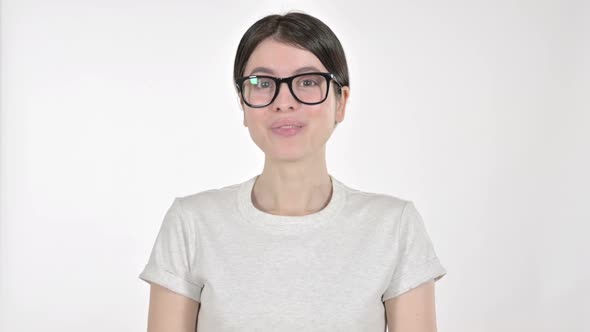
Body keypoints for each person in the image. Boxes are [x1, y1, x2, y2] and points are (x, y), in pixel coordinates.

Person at [138, 11, 447, 332]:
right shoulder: (191, 223)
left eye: (308, 81)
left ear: (341, 101)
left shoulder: (394, 226)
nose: (283, 101)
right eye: (261, 83)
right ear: (243, 105)